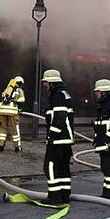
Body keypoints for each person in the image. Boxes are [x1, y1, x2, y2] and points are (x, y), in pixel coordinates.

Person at [42, 69, 74, 205]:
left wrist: (52, 135)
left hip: (58, 139)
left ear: (51, 82)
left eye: (45, 82)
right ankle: (64, 195)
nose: (44, 85)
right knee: (63, 167)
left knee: (49, 166)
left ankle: (54, 197)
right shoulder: (64, 94)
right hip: (66, 139)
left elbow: (60, 117)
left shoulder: (57, 95)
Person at [0, 76, 25, 152]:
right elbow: (22, 100)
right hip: (12, 112)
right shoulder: (19, 90)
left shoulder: (7, 89)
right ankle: (17, 147)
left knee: (3, 128)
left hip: (2, 111)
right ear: (20, 83)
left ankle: (1, 145)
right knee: (15, 130)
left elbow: (3, 97)